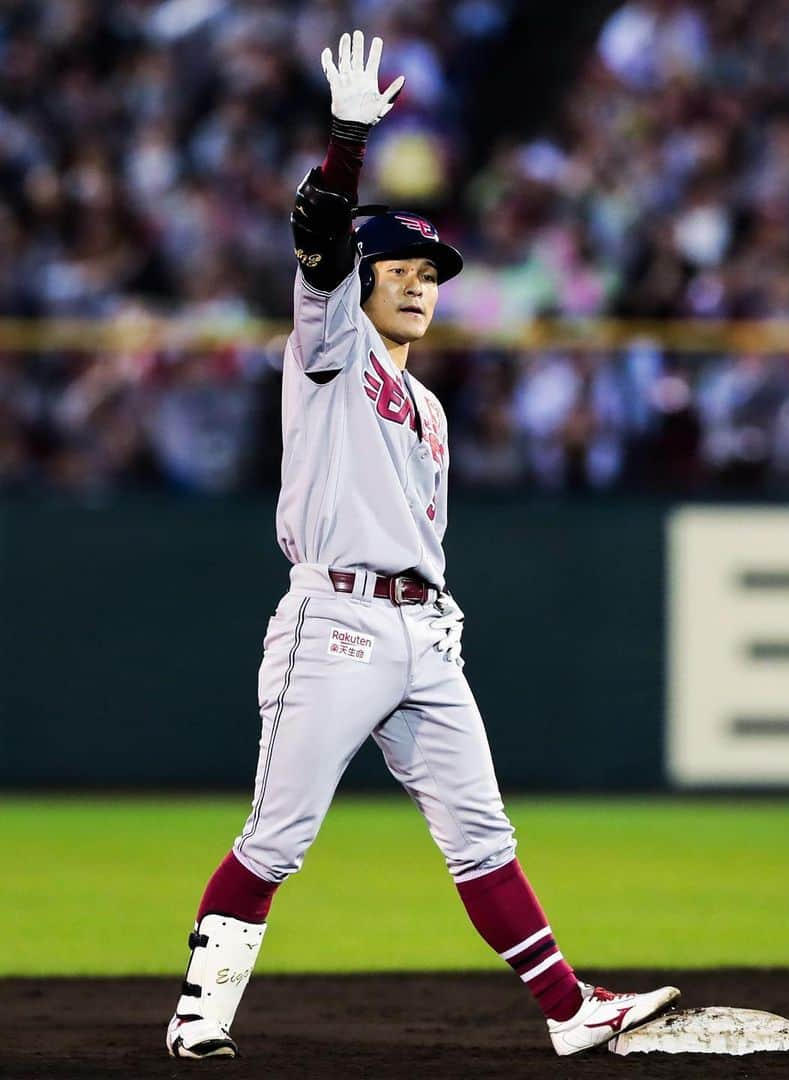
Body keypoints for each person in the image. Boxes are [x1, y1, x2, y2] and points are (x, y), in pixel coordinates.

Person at [164, 29, 679, 1061]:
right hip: (337, 623)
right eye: (395, 266)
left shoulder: (431, 407)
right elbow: (316, 232)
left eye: (428, 271)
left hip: (420, 635)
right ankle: (199, 1017)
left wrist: (435, 607)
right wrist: (350, 140)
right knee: (279, 838)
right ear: (360, 281)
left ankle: (570, 1010)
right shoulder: (327, 346)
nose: (414, 283)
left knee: (484, 838)